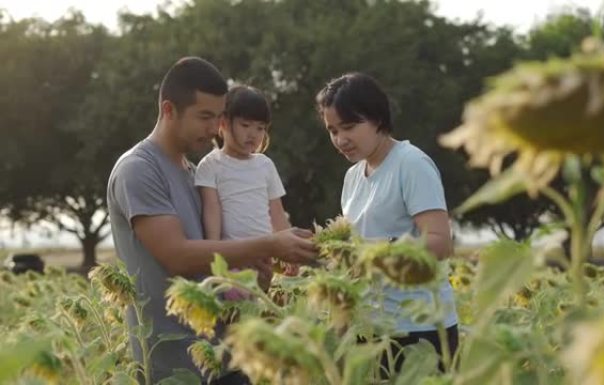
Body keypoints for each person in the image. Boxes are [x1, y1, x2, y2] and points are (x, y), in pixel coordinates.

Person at [107, 57, 316, 384]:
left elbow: (217, 258)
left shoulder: (197, 174)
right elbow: (177, 255)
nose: (213, 128)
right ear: (168, 110)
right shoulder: (139, 169)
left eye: (218, 117)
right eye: (204, 117)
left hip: (224, 357)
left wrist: (257, 276)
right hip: (173, 366)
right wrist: (270, 243)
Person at [315, 72, 459, 371]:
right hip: (369, 328)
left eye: (349, 127)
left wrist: (376, 254)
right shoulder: (353, 176)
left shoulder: (411, 164)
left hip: (419, 329)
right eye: (332, 130)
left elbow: (440, 243)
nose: (340, 140)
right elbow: (353, 247)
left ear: (377, 119)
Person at [195, 85, 294, 297]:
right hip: (232, 258)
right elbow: (212, 210)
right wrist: (213, 254)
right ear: (223, 123)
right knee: (236, 300)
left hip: (267, 255)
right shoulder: (211, 165)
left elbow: (276, 212)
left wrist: (290, 253)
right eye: (245, 125)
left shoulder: (265, 165)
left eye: (260, 128)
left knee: (281, 300)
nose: (253, 134)